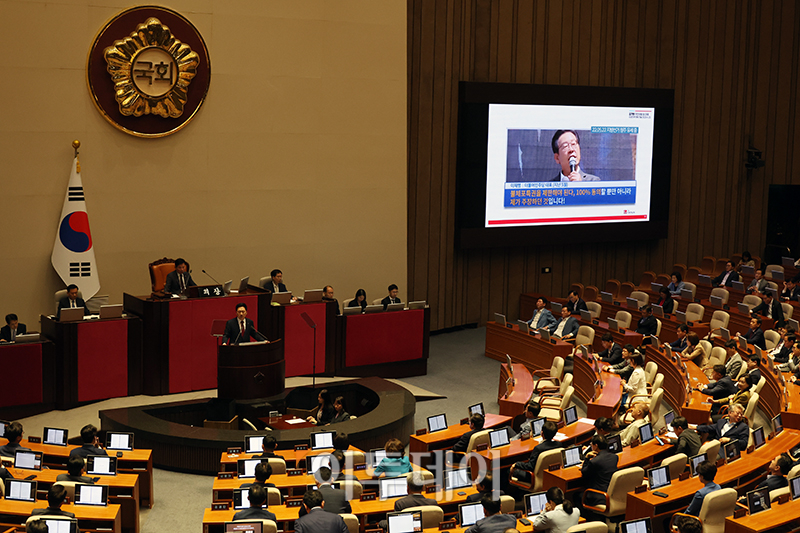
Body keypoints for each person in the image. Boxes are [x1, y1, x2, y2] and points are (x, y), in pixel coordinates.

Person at [580, 435, 618, 509]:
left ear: (596, 446)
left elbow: (584, 473)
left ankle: (590, 515)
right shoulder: (614, 457)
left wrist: (586, 458)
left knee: (577, 496)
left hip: (599, 496)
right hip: (612, 493)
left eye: (591, 445)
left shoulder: (595, 461)